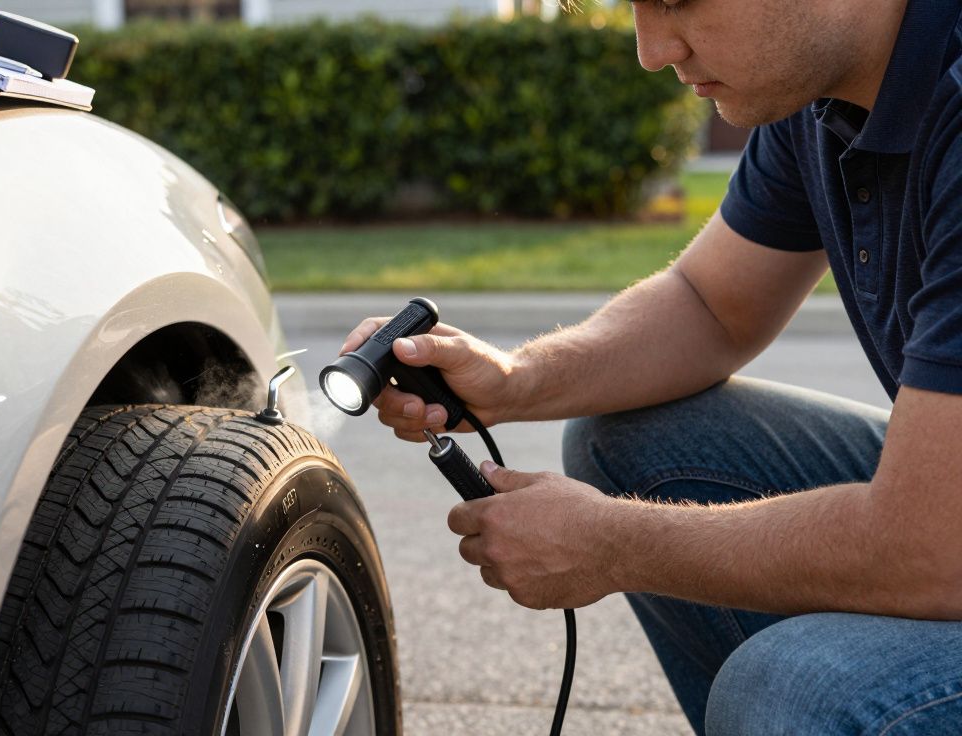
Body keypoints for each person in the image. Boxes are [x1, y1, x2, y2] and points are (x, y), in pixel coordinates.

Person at [340, 0, 962, 733]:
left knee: (791, 687)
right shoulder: (825, 95)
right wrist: (515, 380)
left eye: (675, 0)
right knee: (631, 442)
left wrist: (612, 544)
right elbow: (711, 305)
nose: (651, 48)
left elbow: (932, 547)